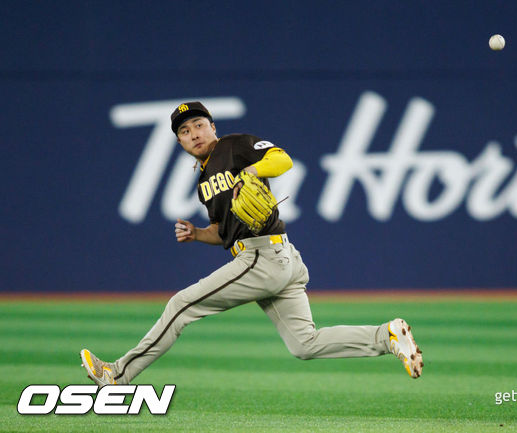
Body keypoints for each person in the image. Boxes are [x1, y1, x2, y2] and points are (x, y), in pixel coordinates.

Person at [80, 101, 423, 386]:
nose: (193, 134)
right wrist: (199, 233)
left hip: (263, 256)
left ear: (212, 126)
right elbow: (222, 230)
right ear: (180, 143)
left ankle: (118, 375)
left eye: (198, 124)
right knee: (304, 344)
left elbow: (283, 159)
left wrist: (254, 172)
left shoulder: (233, 146)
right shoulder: (204, 180)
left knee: (181, 305)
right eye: (184, 131)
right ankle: (386, 336)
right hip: (275, 258)